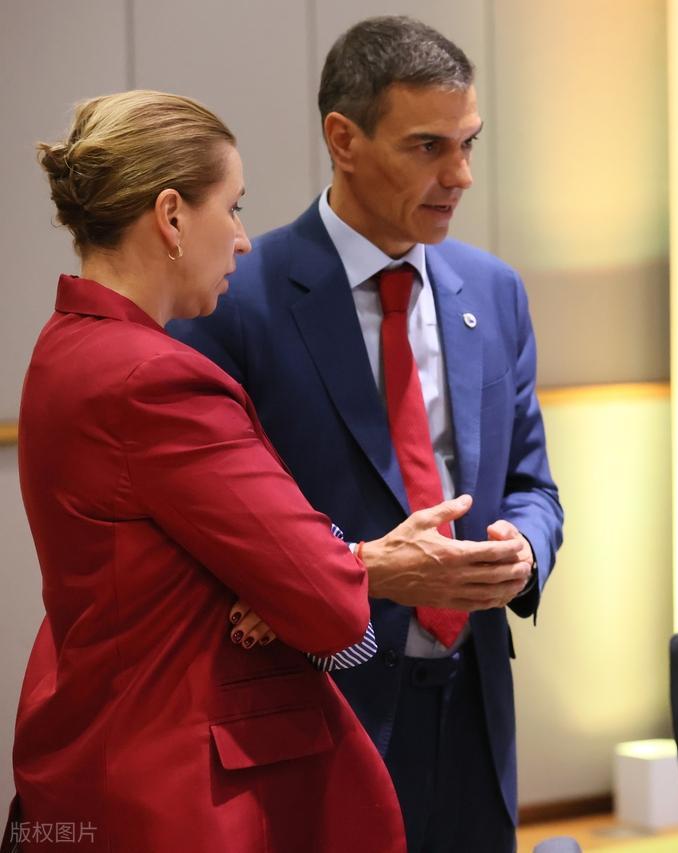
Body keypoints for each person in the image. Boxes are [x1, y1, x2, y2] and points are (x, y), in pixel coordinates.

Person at [170, 16, 563, 852]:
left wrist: (524, 550)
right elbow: (207, 531)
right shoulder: (238, 296)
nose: (460, 175)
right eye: (428, 147)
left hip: (474, 704)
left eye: (468, 143)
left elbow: (532, 483)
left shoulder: (494, 290)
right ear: (343, 139)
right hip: (315, 709)